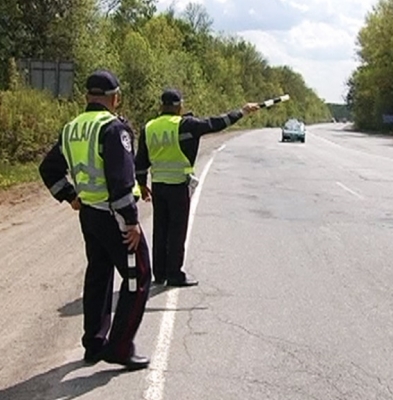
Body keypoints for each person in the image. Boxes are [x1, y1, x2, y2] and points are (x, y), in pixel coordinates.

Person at [39, 69, 151, 370]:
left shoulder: (72, 128)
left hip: (89, 215)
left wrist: (70, 196)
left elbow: (48, 168)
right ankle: (120, 346)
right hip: (114, 218)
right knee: (137, 277)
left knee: (99, 275)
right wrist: (131, 222)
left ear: (87, 97)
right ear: (115, 98)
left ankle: (95, 343)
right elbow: (121, 182)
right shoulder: (114, 129)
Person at [135, 88, 260, 287]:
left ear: (161, 106)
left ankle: (159, 274)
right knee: (177, 231)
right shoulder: (187, 125)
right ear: (179, 106)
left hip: (158, 186)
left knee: (160, 230)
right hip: (178, 187)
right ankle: (174, 274)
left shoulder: (149, 127)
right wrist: (242, 111)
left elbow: (140, 161)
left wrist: (142, 184)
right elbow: (217, 123)